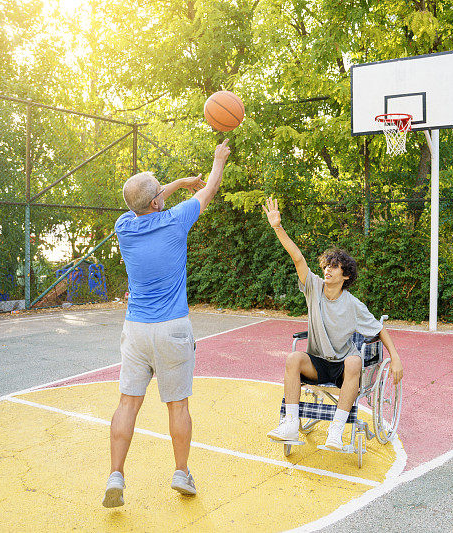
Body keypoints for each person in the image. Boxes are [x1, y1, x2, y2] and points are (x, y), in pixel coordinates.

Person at [102, 139, 231, 508]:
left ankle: (116, 475)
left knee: (127, 403)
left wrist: (175, 184)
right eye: (160, 192)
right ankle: (180, 472)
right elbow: (211, 188)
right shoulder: (177, 221)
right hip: (173, 328)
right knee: (177, 405)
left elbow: (147, 201)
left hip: (136, 330)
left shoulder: (124, 226)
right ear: (158, 202)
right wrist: (216, 160)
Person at [261, 197, 404, 450]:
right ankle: (291, 424)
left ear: (345, 275)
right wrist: (277, 227)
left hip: (342, 369)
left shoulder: (353, 305)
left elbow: (380, 329)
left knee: (354, 359)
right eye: (326, 265)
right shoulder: (313, 287)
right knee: (293, 358)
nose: (327, 270)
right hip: (317, 363)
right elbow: (297, 258)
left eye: (334, 267)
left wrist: (397, 359)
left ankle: (335, 433)